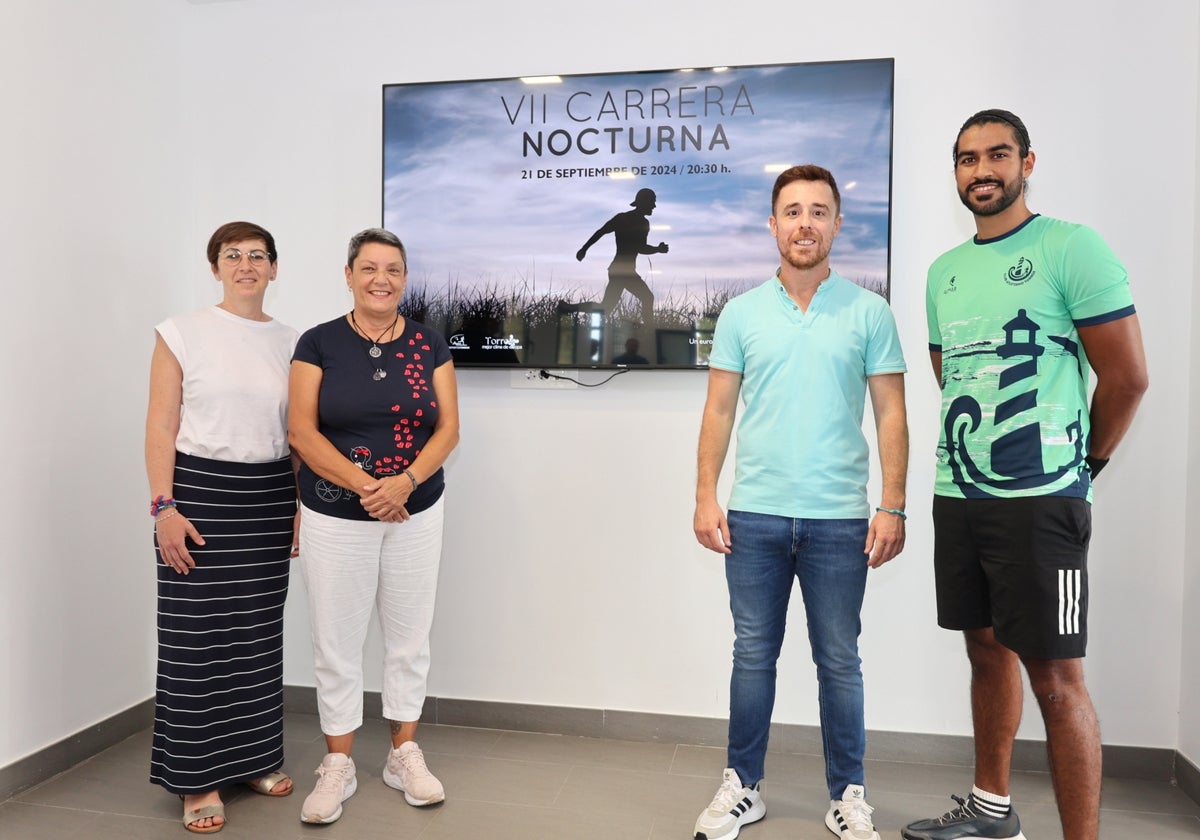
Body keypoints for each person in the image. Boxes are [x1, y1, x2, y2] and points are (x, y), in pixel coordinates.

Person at [902, 110, 1148, 840]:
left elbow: (1128, 378)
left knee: (1057, 679)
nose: (982, 171)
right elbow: (952, 379)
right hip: (960, 495)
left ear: (1027, 162)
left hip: (1042, 502)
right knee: (985, 649)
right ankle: (991, 810)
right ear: (955, 173)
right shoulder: (943, 273)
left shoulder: (1072, 248)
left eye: (997, 155)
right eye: (967, 159)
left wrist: (1084, 467)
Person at [692, 165, 908, 840]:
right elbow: (719, 411)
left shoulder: (870, 312)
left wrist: (892, 505)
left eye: (818, 211)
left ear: (838, 224)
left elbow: (892, 414)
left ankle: (848, 794)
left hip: (841, 517)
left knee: (838, 658)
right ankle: (743, 787)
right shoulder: (742, 312)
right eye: (792, 211)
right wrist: (705, 494)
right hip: (754, 513)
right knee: (752, 652)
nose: (804, 223)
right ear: (773, 224)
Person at [288, 228, 460, 825]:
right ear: (349, 274)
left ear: (404, 278)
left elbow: (448, 431)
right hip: (335, 513)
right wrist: (369, 487)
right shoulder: (318, 343)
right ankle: (336, 764)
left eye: (392, 269)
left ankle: (402, 754)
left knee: (409, 638)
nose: (380, 279)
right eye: (368, 268)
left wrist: (404, 484)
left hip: (417, 509)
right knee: (336, 643)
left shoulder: (430, 343)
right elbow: (302, 433)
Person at [146, 221, 299, 834]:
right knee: (195, 643)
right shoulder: (180, 332)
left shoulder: (294, 341)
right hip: (198, 497)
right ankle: (197, 779)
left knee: (258, 636)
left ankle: (255, 759)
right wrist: (163, 508)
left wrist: (294, 506)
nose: (245, 265)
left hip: (266, 496)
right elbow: (160, 426)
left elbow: (296, 437)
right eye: (232, 255)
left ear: (274, 268)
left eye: (257, 255)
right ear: (215, 267)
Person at [562, 186, 669, 326]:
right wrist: (657, 249)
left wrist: (584, 249)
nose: (654, 206)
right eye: (652, 202)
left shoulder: (634, 220)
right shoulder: (628, 220)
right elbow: (638, 247)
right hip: (623, 271)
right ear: (643, 202)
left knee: (605, 308)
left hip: (620, 269)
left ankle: (568, 308)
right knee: (647, 297)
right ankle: (651, 331)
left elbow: (603, 233)